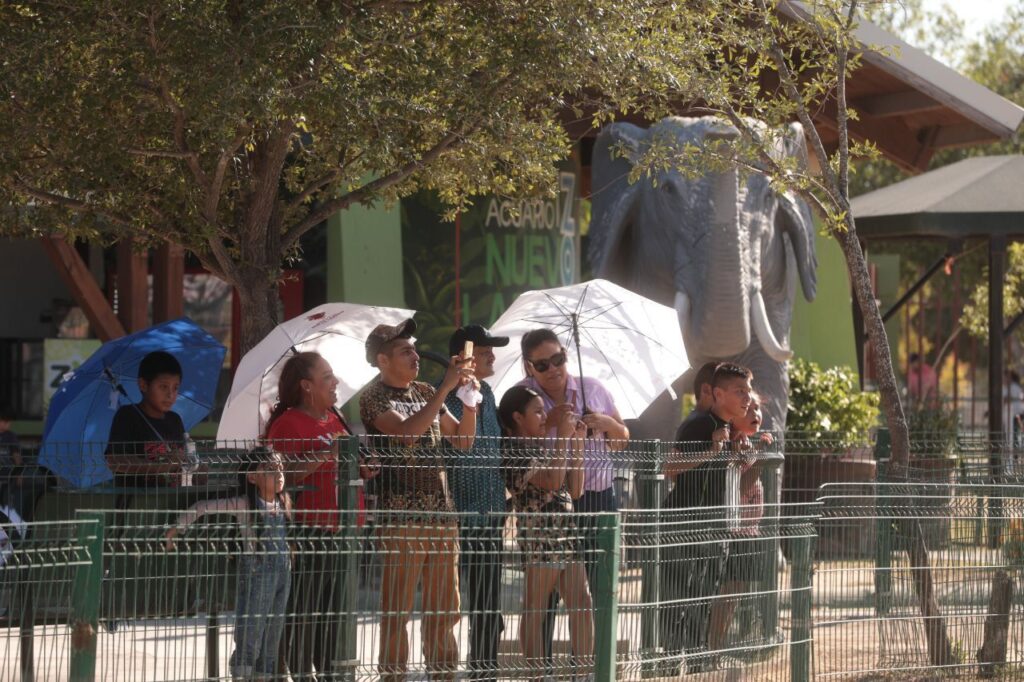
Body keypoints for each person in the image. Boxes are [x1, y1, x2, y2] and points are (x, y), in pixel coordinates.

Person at [359, 318, 477, 682]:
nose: (415, 355)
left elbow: (462, 441)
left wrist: (470, 401)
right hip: (400, 519)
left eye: (414, 348)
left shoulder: (426, 391)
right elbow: (408, 433)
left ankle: (443, 675)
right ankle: (393, 676)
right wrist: (445, 388)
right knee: (397, 610)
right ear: (382, 360)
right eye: (405, 351)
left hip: (441, 515)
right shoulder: (374, 396)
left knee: (446, 610)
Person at [516, 329, 628, 666]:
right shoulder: (524, 398)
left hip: (596, 498)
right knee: (543, 598)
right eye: (542, 364)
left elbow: (623, 438)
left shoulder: (593, 388)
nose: (553, 369)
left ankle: (593, 667)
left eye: (558, 359)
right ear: (529, 367)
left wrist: (607, 424)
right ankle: (541, 669)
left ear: (567, 356)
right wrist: (553, 426)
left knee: (595, 590)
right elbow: (517, 441)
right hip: (548, 504)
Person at [264, 351, 365, 679]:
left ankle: (329, 673)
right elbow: (283, 476)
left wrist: (365, 464)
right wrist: (327, 453)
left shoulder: (336, 418)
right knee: (307, 612)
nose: (335, 382)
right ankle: (302, 672)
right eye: (327, 377)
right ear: (307, 386)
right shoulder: (287, 424)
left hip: (344, 531)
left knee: (336, 614)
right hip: (310, 532)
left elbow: (346, 463)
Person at [165, 447, 292, 681]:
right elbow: (202, 507)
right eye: (270, 469)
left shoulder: (284, 503)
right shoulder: (245, 504)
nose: (279, 473)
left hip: (283, 573)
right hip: (257, 571)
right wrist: (176, 529)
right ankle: (241, 675)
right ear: (252, 477)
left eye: (280, 468)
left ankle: (264, 675)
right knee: (251, 632)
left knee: (274, 631)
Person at [662, 362, 753, 673]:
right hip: (686, 526)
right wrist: (711, 451)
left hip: (717, 529)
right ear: (717, 393)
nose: (748, 398)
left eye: (749, 390)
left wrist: (740, 455)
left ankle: (700, 664)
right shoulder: (700, 424)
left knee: (704, 600)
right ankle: (671, 665)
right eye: (740, 391)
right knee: (678, 600)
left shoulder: (730, 430)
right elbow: (669, 468)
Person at [499, 385, 593, 680]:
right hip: (540, 535)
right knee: (535, 609)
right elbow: (552, 481)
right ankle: (536, 675)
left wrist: (576, 442)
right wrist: (563, 437)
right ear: (517, 417)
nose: (544, 417)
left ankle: (585, 673)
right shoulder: (513, 450)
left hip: (565, 533)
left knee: (582, 602)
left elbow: (574, 489)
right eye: (537, 411)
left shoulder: (540, 447)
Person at [442, 325, 509, 681]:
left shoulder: (491, 394)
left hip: (491, 512)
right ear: (464, 356)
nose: (492, 356)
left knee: (489, 600)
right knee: (458, 601)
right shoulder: (446, 397)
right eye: (484, 351)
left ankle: (486, 669)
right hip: (459, 515)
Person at [707, 393, 774, 656]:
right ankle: (713, 649)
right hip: (733, 531)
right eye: (750, 409)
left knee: (734, 595)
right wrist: (761, 460)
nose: (756, 414)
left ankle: (717, 647)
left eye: (758, 408)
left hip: (749, 531)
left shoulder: (747, 442)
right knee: (726, 596)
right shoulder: (733, 443)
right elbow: (742, 489)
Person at [105, 351, 188, 487]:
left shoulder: (175, 420)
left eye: (175, 388)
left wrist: (194, 471)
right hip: (136, 503)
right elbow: (115, 461)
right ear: (143, 385)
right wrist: (161, 467)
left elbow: (181, 461)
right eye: (163, 387)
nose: (170, 394)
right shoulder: (127, 416)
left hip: (173, 503)